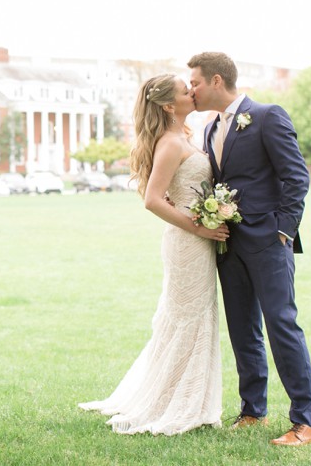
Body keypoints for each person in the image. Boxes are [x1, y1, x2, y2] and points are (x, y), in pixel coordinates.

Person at [79, 74, 228, 435]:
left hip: (197, 238)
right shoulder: (170, 143)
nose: (191, 93)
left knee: (193, 317)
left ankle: (190, 397)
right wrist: (199, 227)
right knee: (186, 319)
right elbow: (151, 199)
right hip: (187, 241)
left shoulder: (185, 137)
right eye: (183, 91)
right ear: (167, 105)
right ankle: (172, 402)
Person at [187, 51, 311, 446]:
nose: (190, 89)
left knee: (282, 326)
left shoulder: (267, 115)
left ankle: (307, 421)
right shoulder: (210, 128)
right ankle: (252, 411)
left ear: (215, 81)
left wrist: (283, 231)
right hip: (228, 246)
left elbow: (296, 177)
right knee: (242, 329)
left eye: (194, 82)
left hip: (268, 243)